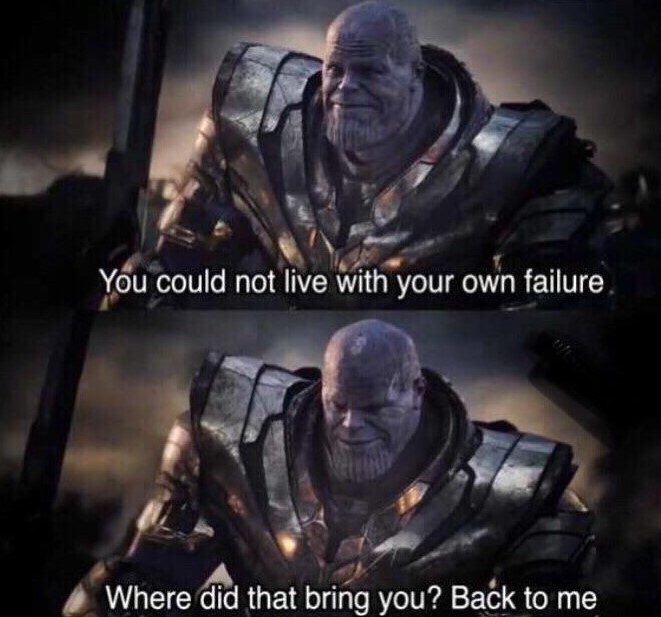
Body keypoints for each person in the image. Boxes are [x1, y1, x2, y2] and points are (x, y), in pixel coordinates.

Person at [63, 319, 594, 615]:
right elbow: (144, 584)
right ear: (322, 390)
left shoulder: (523, 496)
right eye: (339, 405)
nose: (351, 426)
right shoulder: (230, 440)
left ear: (417, 393)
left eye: (375, 408)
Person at [128, 1, 612, 308]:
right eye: (335, 70)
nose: (344, 88)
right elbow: (170, 269)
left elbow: (555, 302)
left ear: (415, 75)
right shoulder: (255, 122)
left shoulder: (520, 163)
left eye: (370, 71)